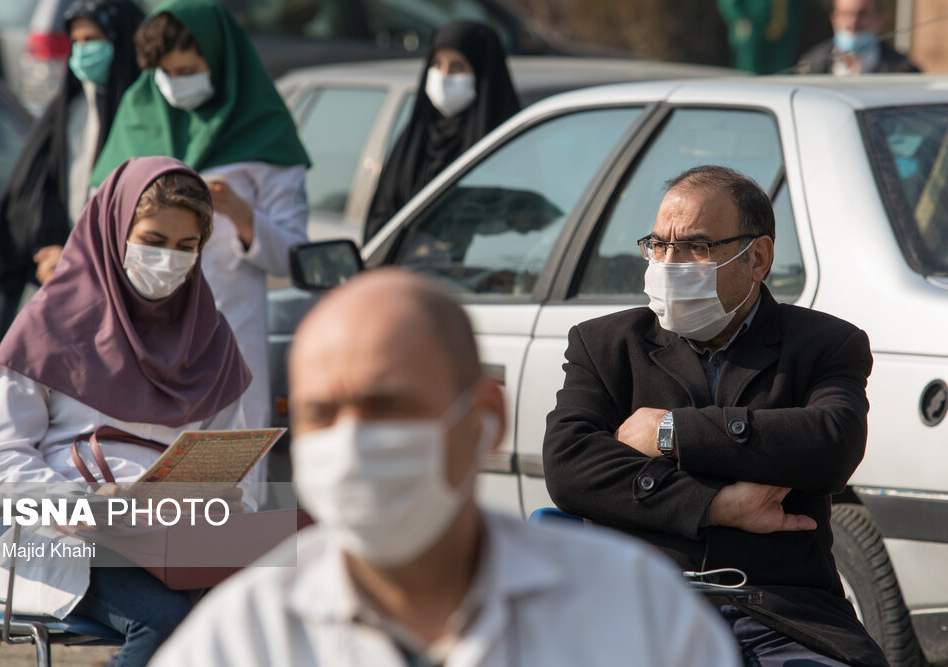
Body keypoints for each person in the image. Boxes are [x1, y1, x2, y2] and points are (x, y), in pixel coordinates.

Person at [150, 268, 741, 667]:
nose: (352, 443)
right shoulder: (246, 636)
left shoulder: (630, 608)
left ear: (486, 418)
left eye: (389, 408)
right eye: (321, 414)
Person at [543, 166, 888, 666]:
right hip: (636, 613)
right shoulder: (605, 345)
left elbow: (831, 443)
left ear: (758, 259)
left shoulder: (825, 345)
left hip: (781, 615)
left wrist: (670, 431)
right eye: (658, 245)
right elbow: (569, 465)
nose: (669, 262)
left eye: (696, 247)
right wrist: (715, 505)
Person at [0, 156, 257, 667]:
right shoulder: (49, 327)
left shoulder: (211, 340)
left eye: (186, 247)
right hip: (68, 546)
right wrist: (83, 501)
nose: (168, 259)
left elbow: (236, 463)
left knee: (257, 618)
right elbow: (0, 458)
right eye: (152, 241)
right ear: (114, 231)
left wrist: (227, 499)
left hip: (180, 543)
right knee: (166, 623)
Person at [91, 0, 311, 432]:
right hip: (141, 338)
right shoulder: (137, 116)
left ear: (220, 60)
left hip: (229, 335)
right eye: (167, 72)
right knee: (145, 476)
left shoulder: (263, 132)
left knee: (234, 480)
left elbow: (295, 256)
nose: (175, 84)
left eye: (188, 70)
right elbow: (96, 235)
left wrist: (240, 214)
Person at [0, 0, 144, 343]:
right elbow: (29, 194)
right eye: (78, 42)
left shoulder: (145, 119)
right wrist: (48, 250)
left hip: (117, 284)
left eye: (95, 39)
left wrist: (79, 258)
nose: (84, 52)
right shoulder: (67, 111)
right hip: (53, 272)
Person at [363, 20, 520, 244]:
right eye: (437, 64)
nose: (444, 76)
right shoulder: (414, 141)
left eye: (457, 67)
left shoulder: (506, 145)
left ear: (483, 72)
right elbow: (381, 220)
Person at [795, 0, 920, 75]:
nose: (852, 23)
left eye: (862, 14)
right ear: (833, 19)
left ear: (881, 19)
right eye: (845, 14)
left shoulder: (903, 70)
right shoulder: (811, 66)